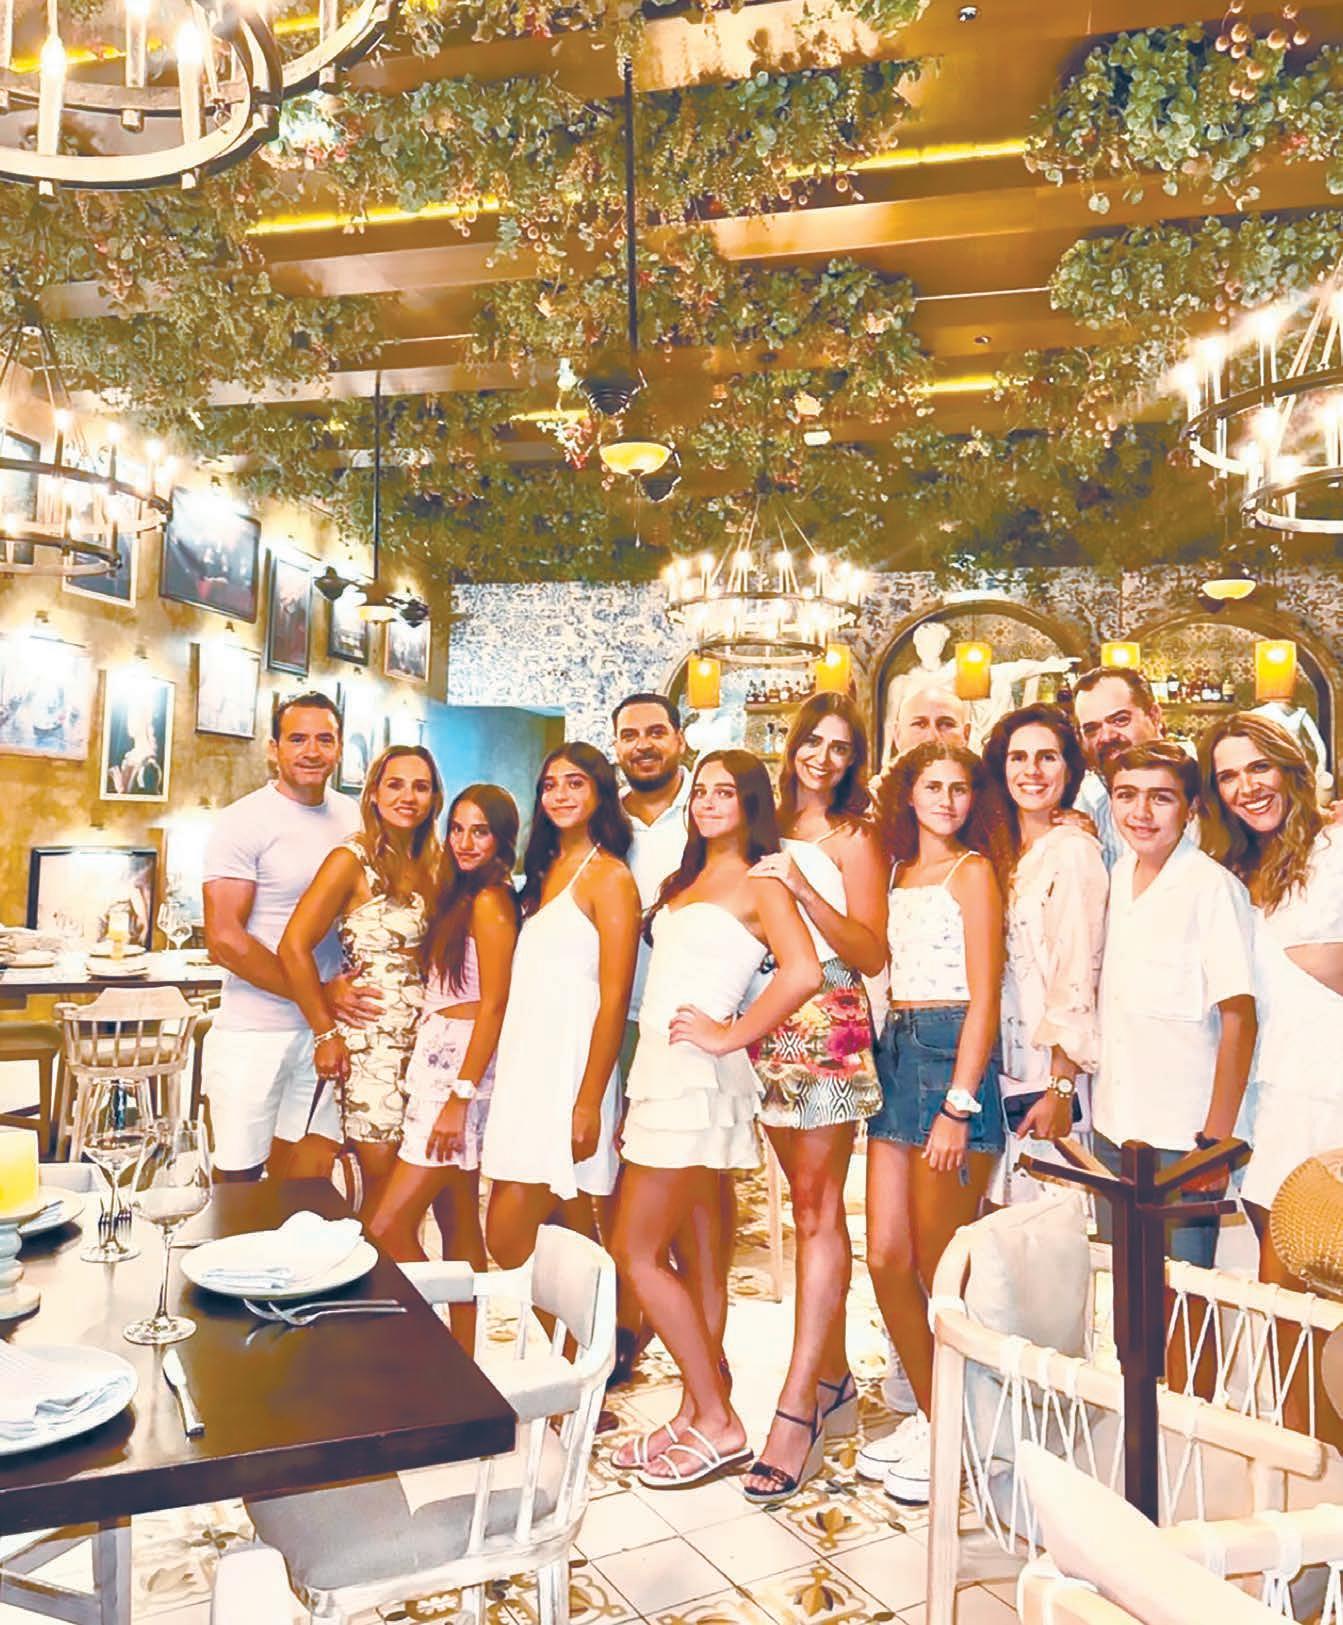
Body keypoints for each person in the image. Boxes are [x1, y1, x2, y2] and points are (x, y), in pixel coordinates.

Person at [611, 750, 822, 1491]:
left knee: (633, 1251)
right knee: (697, 1255)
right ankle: (698, 1407)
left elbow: (804, 971)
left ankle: (719, 1417)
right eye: (700, 791)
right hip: (664, 1071)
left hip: (696, 1077)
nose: (706, 802)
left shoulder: (762, 880)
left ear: (750, 802)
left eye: (723, 792)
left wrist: (731, 1033)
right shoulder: (687, 878)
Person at [742, 695, 887, 1499]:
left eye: (839, 747)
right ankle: (831, 1379)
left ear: (853, 760)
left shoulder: (855, 837)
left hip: (827, 1015)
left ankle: (795, 1408)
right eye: (812, 742)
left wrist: (802, 885)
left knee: (816, 1208)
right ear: (790, 744)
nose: (822, 758)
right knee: (800, 1204)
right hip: (764, 1016)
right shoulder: (760, 825)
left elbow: (869, 948)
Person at [858, 741, 1009, 1507]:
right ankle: (934, 1412)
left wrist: (959, 1102)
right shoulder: (892, 871)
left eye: (959, 787)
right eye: (932, 786)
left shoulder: (972, 871)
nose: (946, 800)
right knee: (884, 1255)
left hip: (951, 1052)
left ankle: (965, 1431)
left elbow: (985, 996)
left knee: (933, 1261)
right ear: (908, 794)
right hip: (895, 1049)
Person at [611, 690, 736, 1388]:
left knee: (700, 1196)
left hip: (691, 1026)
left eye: (655, 732)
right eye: (630, 735)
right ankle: (626, 1330)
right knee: (624, 1181)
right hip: (619, 1018)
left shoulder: (708, 806)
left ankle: (708, 1351)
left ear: (679, 739)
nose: (644, 745)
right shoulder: (605, 817)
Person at [1095, 741, 1257, 1276]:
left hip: (1183, 1141)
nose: (1140, 812)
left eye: (1160, 798)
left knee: (1183, 1296)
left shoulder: (1213, 889)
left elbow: (1239, 1018)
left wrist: (1215, 1144)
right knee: (1125, 1291)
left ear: (1191, 809)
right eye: (1126, 795)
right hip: (1115, 1127)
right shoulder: (1117, 877)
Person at [367, 786, 521, 1340]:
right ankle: (464, 1357)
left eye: (480, 831)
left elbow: (496, 1004)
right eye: (457, 828)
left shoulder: (492, 901)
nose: (465, 841)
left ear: (503, 839)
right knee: (458, 1226)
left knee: (385, 1226)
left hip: (457, 1073)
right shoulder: (461, 895)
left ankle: (431, 1345)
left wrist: (460, 1095)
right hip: (440, 1061)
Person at [481, 743, 640, 1268]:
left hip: (568, 1074)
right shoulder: (544, 870)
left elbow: (615, 999)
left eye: (575, 783)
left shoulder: (609, 877)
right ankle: (593, 1322)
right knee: (561, 1235)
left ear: (600, 792)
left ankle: (606, 1312)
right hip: (526, 1067)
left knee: (508, 1236)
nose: (560, 795)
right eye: (550, 785)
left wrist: (589, 1102)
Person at [201, 692, 371, 1182]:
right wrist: (319, 996)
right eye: (297, 739)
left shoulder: (354, 817)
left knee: (308, 1179)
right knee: (238, 1180)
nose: (312, 751)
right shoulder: (243, 821)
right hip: (257, 1030)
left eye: (324, 739)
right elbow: (225, 940)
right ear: (274, 748)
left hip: (331, 1029)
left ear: (339, 748)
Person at [278, 746, 442, 1215]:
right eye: (395, 784)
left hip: (429, 1041)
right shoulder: (351, 860)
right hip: (373, 1041)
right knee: (381, 1182)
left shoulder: (437, 862)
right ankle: (372, 1262)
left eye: (421, 786)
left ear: (434, 798)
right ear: (373, 794)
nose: (408, 796)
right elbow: (293, 946)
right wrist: (325, 1031)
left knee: (418, 1182)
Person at [1200, 714, 1343, 1248]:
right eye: (1229, 776)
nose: (1248, 787)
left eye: (1260, 767)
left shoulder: (1335, 848)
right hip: (1264, 1092)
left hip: (1326, 1090)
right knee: (1276, 1269)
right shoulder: (1230, 869)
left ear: (1290, 769)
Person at [981, 705, 1107, 1203]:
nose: (1031, 770)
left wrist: (1061, 1088)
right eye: (1018, 757)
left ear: (1069, 769)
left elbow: (1077, 972)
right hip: (1001, 1063)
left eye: (1047, 757)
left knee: (1047, 1221)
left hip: (1046, 1073)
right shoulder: (1002, 849)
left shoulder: (1072, 851)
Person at [1071, 667, 1165, 870]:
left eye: (1120, 720)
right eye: (1092, 729)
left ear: (1154, 716)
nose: (1106, 737)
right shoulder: (1087, 800)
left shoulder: (1205, 788)